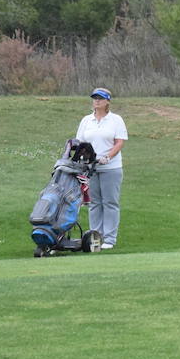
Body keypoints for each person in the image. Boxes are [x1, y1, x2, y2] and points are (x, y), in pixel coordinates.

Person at [77, 87, 128, 250]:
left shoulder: (115, 120)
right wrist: (84, 158)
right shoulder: (86, 120)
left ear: (107, 101)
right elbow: (80, 142)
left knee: (110, 202)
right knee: (93, 203)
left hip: (111, 167)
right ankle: (95, 236)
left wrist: (108, 157)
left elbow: (119, 142)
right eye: (94, 98)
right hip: (91, 167)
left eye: (100, 98)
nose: (96, 101)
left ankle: (110, 239)